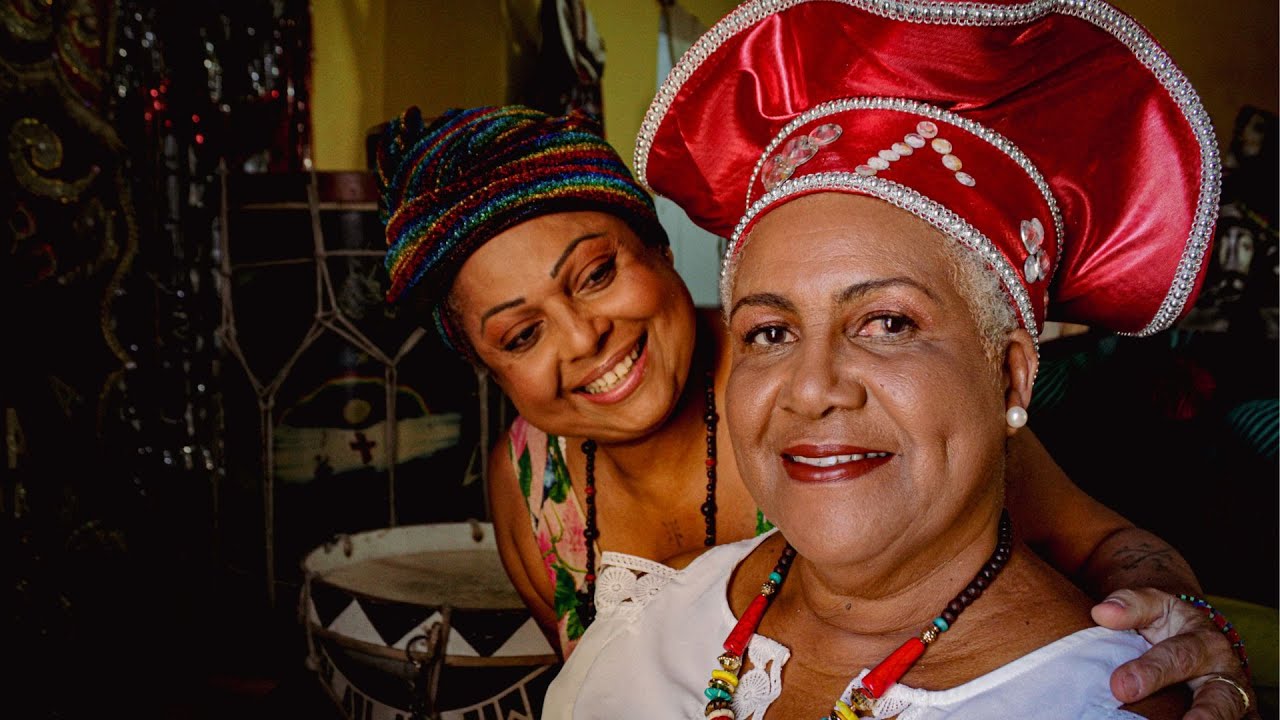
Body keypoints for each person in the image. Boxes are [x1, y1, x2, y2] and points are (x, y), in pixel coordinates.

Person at [375, 84, 1250, 720]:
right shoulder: (533, 486)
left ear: (659, 249)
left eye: (597, 275)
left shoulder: (856, 407)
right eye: (520, 335)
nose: (582, 340)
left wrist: (1177, 629)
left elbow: (1102, 546)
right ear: (492, 371)